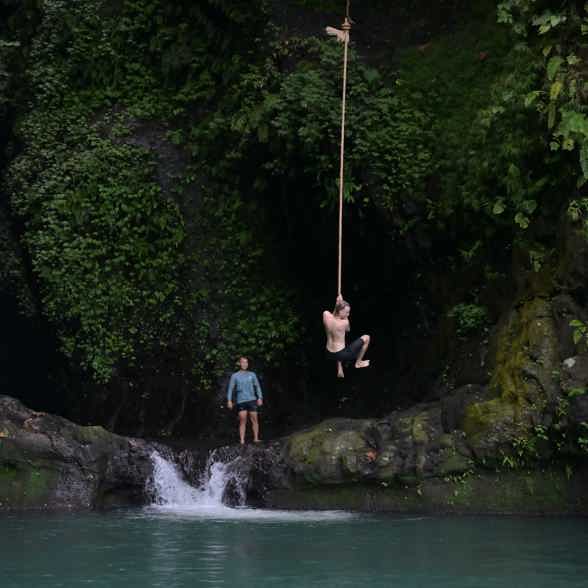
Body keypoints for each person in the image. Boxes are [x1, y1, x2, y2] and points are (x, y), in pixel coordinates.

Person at [323, 294, 370, 378]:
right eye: (347, 312)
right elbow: (348, 329)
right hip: (340, 354)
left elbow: (334, 315)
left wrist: (337, 304)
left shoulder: (326, 315)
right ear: (340, 311)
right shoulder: (344, 323)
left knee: (339, 340)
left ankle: (339, 367)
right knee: (367, 338)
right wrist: (344, 317)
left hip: (328, 352)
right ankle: (358, 363)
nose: (348, 314)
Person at [226, 356, 263, 444]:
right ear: (239, 363)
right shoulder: (235, 376)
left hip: (252, 399)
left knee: (254, 419)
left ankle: (256, 438)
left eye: (246, 362)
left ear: (248, 364)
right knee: (243, 420)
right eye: (243, 362)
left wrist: (260, 397)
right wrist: (229, 400)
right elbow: (230, 389)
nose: (244, 364)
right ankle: (242, 440)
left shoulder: (252, 374)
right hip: (241, 401)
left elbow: (257, 386)